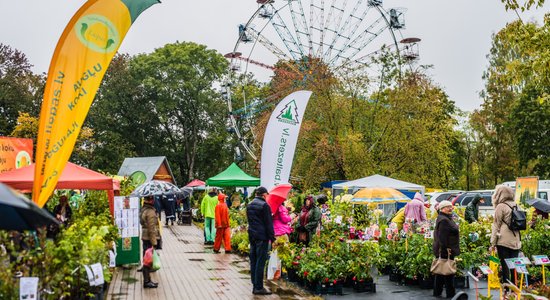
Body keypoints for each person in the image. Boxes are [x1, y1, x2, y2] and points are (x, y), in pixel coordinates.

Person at [246, 187, 275, 295]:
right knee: (260, 261)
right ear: (263, 195)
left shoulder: (249, 204)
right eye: (266, 195)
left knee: (253, 260)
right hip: (262, 236)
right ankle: (259, 287)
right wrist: (272, 238)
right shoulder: (264, 205)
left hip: (252, 235)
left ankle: (254, 284)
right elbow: (268, 224)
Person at [490, 185, 521, 283]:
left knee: (505, 266)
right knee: (514, 266)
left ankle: (507, 289)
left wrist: (493, 243)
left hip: (503, 240)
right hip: (516, 240)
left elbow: (496, 225)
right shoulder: (516, 205)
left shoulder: (501, 206)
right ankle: (515, 287)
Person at [432, 200, 460, 298]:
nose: (450, 208)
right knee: (448, 272)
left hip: (445, 249)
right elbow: (442, 238)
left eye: (451, 206)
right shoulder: (444, 220)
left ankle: (437, 292)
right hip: (446, 250)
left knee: (440, 272)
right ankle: (450, 293)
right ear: (442, 208)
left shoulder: (445, 218)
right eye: (448, 207)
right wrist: (444, 251)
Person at [140, 196, 160, 289]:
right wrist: (154, 242)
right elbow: (151, 229)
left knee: (146, 258)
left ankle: (147, 280)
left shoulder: (143, 210)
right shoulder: (150, 212)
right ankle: (147, 281)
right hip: (149, 238)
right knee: (148, 260)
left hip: (145, 237)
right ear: (151, 200)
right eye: (152, 199)